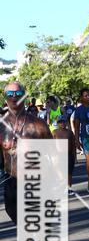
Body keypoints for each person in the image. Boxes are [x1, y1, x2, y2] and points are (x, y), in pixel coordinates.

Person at [1, 81, 52, 222]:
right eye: (10, 94)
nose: (14, 97)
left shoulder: (39, 125)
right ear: (5, 97)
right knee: (15, 214)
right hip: (11, 181)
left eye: (18, 93)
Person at [53, 114, 77, 194]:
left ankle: (69, 187)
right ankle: (62, 187)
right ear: (57, 123)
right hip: (58, 155)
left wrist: (75, 157)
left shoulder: (69, 133)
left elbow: (73, 145)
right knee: (60, 172)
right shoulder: (54, 132)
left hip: (69, 155)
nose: (62, 124)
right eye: (60, 122)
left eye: (63, 122)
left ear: (66, 123)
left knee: (69, 173)